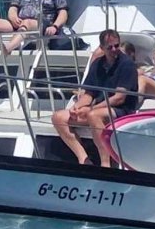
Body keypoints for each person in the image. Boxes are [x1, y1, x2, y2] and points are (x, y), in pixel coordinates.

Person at [52, 29, 140, 167]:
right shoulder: (97, 64)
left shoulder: (127, 64)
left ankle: (105, 163)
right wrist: (77, 107)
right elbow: (89, 94)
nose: (114, 49)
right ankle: (84, 159)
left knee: (94, 115)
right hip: (99, 108)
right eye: (110, 47)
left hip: (122, 111)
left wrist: (90, 109)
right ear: (102, 48)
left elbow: (119, 98)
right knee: (58, 117)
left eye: (116, 45)